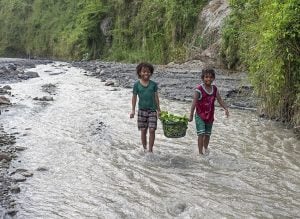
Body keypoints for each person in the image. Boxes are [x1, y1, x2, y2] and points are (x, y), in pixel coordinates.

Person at [189, 67, 229, 155]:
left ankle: (205, 149)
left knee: (207, 135)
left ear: (213, 78)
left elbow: (219, 100)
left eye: (210, 77)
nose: (208, 79)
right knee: (201, 134)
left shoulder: (214, 89)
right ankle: (200, 153)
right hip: (200, 115)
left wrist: (226, 108)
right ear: (203, 78)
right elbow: (194, 103)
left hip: (210, 116)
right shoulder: (198, 89)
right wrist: (191, 115)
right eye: (206, 77)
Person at [130, 62, 161, 153]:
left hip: (152, 111)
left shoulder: (153, 84)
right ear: (139, 73)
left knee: (152, 130)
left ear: (151, 73)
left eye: (148, 72)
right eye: (144, 72)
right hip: (141, 111)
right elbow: (134, 97)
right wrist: (133, 110)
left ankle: (150, 150)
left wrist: (158, 110)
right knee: (143, 130)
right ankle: (144, 148)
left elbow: (156, 97)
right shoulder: (136, 85)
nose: (146, 73)